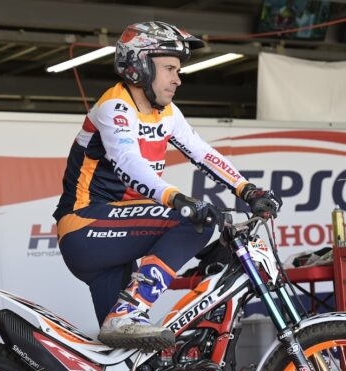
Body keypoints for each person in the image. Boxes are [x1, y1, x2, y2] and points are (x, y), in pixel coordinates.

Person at [53, 21, 281, 351]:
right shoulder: (114, 106)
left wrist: (248, 190)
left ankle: (117, 348)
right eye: (170, 69)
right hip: (85, 226)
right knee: (195, 220)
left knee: (125, 355)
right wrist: (176, 199)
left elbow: (202, 153)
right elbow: (128, 162)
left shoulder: (166, 113)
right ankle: (129, 310)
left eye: (179, 70)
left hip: (113, 242)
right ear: (139, 66)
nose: (178, 78)